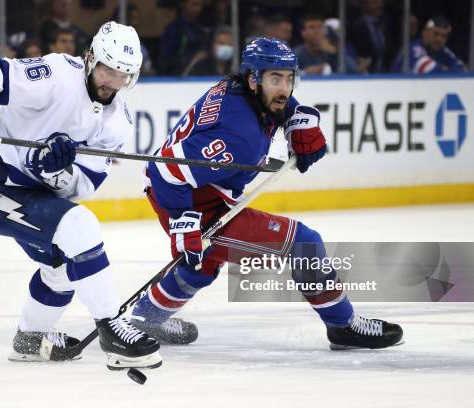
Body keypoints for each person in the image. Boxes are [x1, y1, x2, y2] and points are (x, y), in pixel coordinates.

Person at [129, 38, 403, 352]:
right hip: (190, 199)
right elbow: (167, 170)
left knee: (203, 263)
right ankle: (343, 325)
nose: (284, 88)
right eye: (275, 79)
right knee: (305, 243)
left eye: (289, 78)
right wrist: (184, 224)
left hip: (198, 191)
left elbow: (283, 104)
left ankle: (145, 317)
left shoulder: (241, 90)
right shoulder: (239, 136)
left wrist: (299, 121)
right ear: (253, 79)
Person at [0, 21, 161, 370]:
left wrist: (55, 170)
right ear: (91, 58)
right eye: (107, 69)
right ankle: (112, 329)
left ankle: (29, 341)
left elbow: (81, 187)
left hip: (33, 192)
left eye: (122, 75)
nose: (112, 82)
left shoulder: (119, 121)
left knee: (64, 268)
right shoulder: (57, 74)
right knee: (80, 225)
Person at [391, 17, 466, 74]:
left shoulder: (443, 51)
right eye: (436, 34)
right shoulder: (413, 48)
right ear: (425, 32)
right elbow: (431, 70)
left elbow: (463, 70)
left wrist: (444, 69)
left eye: (444, 36)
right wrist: (446, 69)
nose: (439, 39)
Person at [294, 14, 359, 75]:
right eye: (312, 27)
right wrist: (304, 72)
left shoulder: (330, 52)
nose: (317, 31)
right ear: (303, 33)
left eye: (320, 27)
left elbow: (354, 70)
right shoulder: (297, 55)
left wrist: (334, 53)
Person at [159, 0, 209, 75]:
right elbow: (166, 59)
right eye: (194, 4)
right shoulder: (173, 29)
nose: (198, 8)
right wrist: (192, 58)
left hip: (200, 75)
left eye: (200, 5)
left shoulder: (201, 29)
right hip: (176, 77)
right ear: (182, 4)